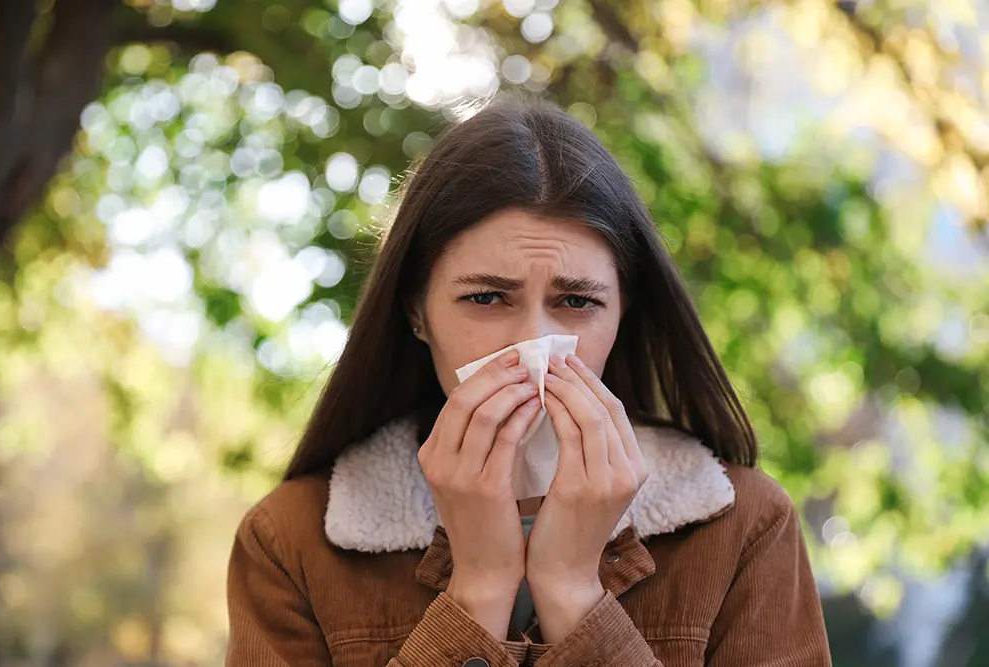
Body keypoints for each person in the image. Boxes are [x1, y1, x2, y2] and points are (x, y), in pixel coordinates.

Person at [225, 93, 832, 667]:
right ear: (416, 311)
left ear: (624, 313)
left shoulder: (744, 527)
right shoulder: (292, 541)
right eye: (486, 297)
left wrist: (572, 591)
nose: (529, 344)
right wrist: (479, 590)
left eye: (576, 302)